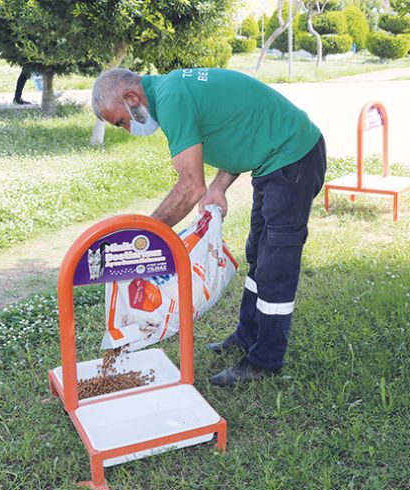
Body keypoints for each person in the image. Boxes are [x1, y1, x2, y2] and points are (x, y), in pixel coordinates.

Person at [91, 68, 326, 386]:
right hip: (272, 160)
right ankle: (246, 336)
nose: (125, 128)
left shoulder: (172, 98)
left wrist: (144, 237)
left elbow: (189, 187)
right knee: (257, 253)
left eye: (120, 121)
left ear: (132, 98)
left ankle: (265, 361)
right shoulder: (169, 91)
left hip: (293, 157)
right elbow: (235, 130)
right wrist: (219, 187)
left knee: (276, 265)